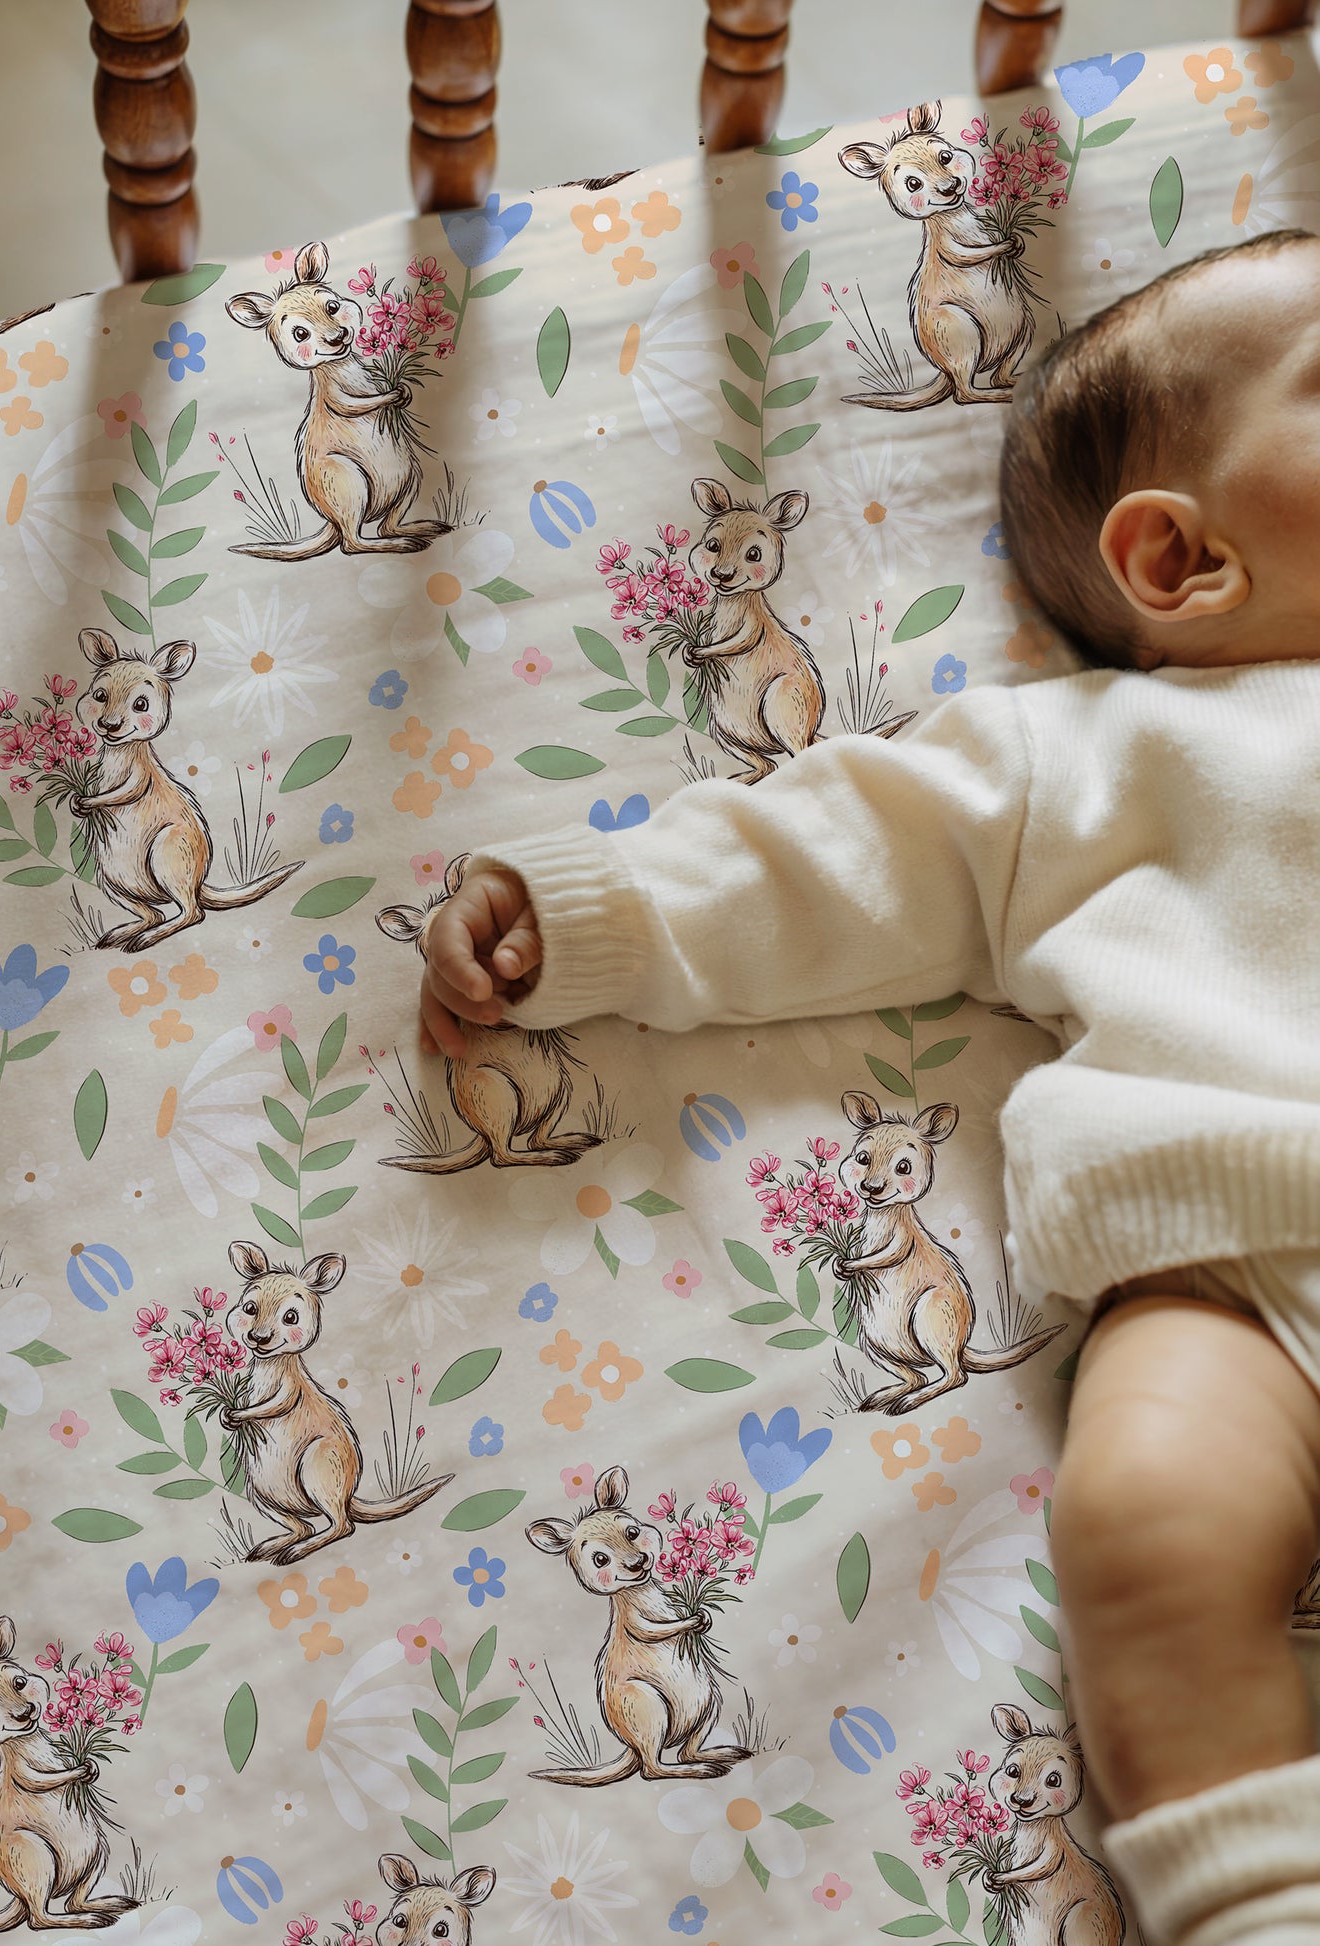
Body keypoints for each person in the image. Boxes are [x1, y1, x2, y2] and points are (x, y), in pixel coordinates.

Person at [415, 227, 1320, 1946]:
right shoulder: (1089, 765)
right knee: (1146, 1520)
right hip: (1229, 1249)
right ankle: (1260, 1902)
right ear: (1181, 560)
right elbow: (840, 855)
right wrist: (595, 915)